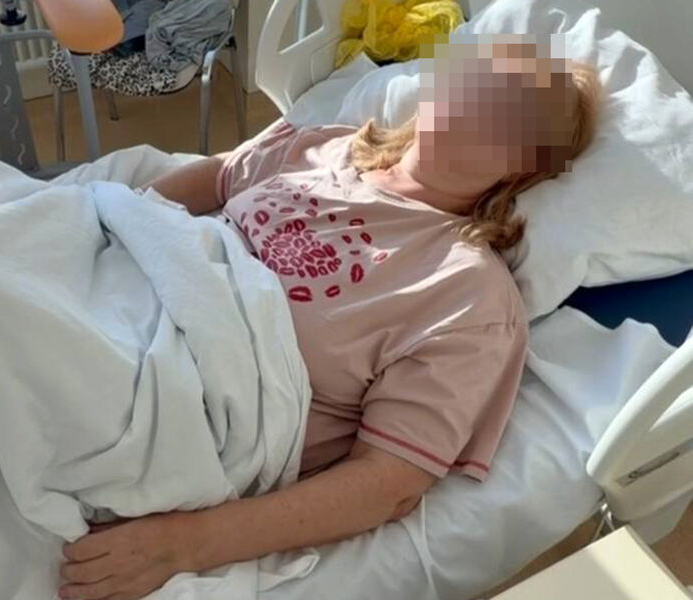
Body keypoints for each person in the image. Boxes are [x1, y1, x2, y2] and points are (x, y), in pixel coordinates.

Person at [58, 38, 600, 600]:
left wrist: (185, 545)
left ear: (524, 165)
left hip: (175, 393)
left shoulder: (468, 295)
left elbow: (388, 482)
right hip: (114, 296)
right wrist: (90, 230)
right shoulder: (325, 148)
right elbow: (216, 176)